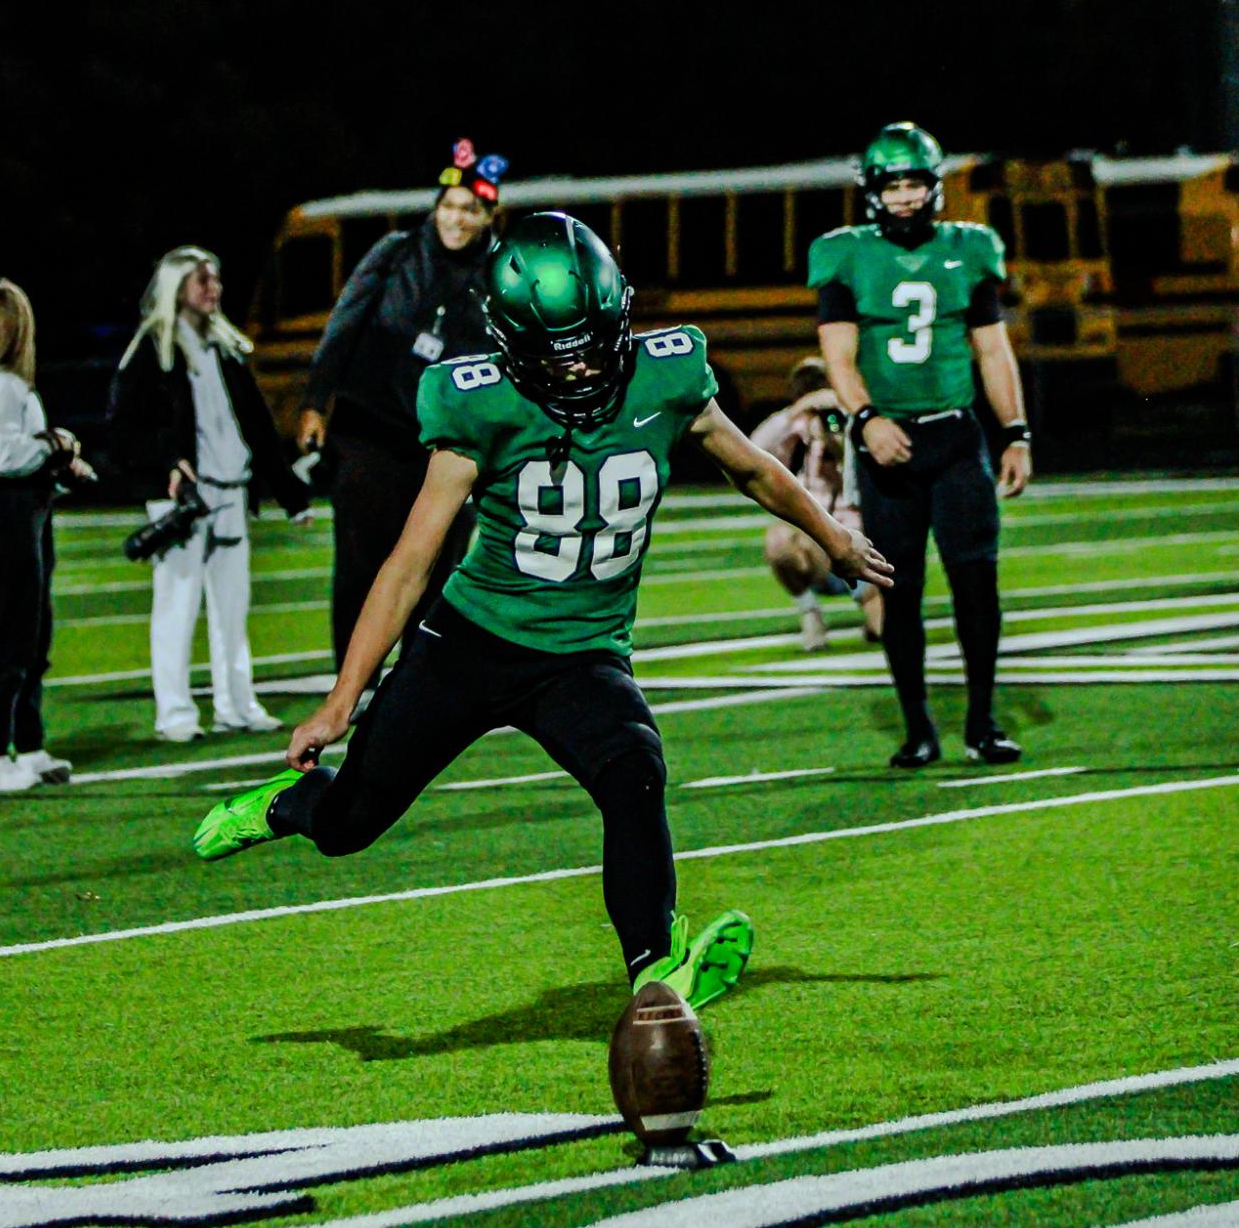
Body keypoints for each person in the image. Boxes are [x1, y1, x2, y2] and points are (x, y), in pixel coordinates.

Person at [192, 212, 893, 1011]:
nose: (585, 365)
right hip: (470, 643)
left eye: (595, 339)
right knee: (352, 822)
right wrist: (340, 700)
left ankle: (656, 967)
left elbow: (756, 469)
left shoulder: (666, 376)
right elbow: (409, 563)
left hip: (582, 652)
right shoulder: (480, 402)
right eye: (558, 353)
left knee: (634, 769)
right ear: (510, 342)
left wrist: (833, 536)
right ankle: (281, 809)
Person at [810, 122, 1033, 769]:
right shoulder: (845, 256)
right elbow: (838, 356)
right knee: (898, 587)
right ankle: (917, 727)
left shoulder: (969, 249)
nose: (905, 196)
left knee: (976, 581)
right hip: (887, 442)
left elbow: (993, 350)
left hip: (956, 435)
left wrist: (1015, 431)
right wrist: (867, 418)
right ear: (873, 190)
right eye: (893, 184)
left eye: (914, 183)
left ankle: (983, 721)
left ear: (934, 186)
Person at [296, 140, 505, 670]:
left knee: (439, 565)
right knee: (362, 560)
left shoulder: (500, 274)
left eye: (470, 210)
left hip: (446, 444)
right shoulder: (394, 253)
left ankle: (421, 676)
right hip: (370, 431)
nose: (456, 219)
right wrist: (317, 402)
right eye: (449, 206)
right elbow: (344, 325)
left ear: (489, 217)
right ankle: (353, 673)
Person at [109, 246, 312, 744]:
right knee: (177, 606)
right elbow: (123, 429)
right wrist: (166, 463)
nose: (212, 288)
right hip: (184, 499)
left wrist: (292, 495)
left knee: (232, 606)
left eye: (215, 279)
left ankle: (237, 704)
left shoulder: (224, 348)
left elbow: (257, 430)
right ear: (176, 286)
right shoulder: (153, 348)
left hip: (231, 493)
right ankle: (175, 713)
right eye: (201, 279)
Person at [0, 279, 93, 793]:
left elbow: (16, 456)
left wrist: (59, 465)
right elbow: (5, 458)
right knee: (13, 638)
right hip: (0, 517)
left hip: (18, 513)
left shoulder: (4, 384)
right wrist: (56, 443)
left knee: (34, 636)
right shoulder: (1, 385)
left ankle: (29, 747)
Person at [750, 356, 885, 651]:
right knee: (779, 540)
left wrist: (844, 414)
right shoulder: (800, 429)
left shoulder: (864, 420)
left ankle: (874, 606)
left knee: (884, 632)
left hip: (871, 544)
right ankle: (809, 611)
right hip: (823, 546)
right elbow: (753, 450)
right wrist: (795, 415)